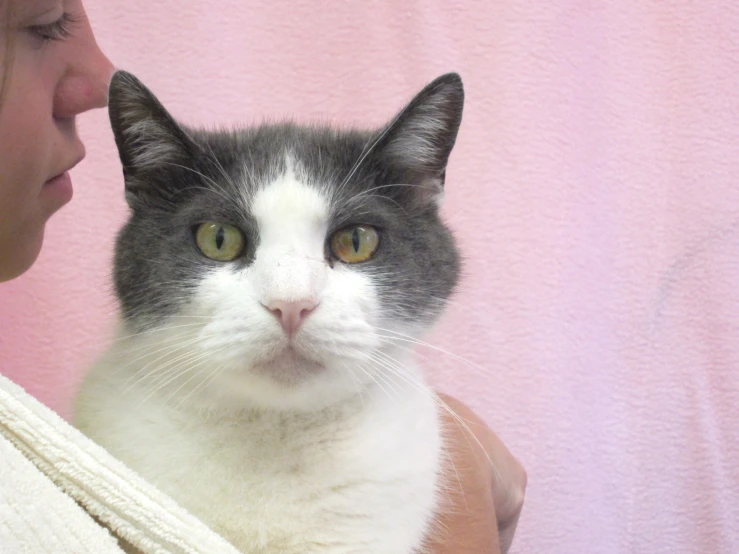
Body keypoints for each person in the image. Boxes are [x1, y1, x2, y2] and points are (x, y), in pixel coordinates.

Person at [0, 1, 526, 552]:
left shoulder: (422, 441)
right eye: (220, 241)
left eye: (353, 243)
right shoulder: (92, 447)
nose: (291, 299)